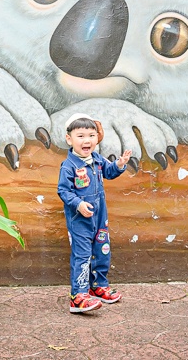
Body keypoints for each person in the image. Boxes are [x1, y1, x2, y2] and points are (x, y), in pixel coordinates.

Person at [57, 113, 132, 313]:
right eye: (80, 136)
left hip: (100, 217)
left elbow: (109, 171)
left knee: (102, 250)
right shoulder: (69, 166)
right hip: (79, 219)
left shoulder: (96, 159)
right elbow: (63, 191)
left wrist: (119, 164)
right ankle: (78, 296)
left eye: (91, 135)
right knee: (82, 255)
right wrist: (78, 204)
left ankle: (98, 286)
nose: (86, 140)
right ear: (69, 139)